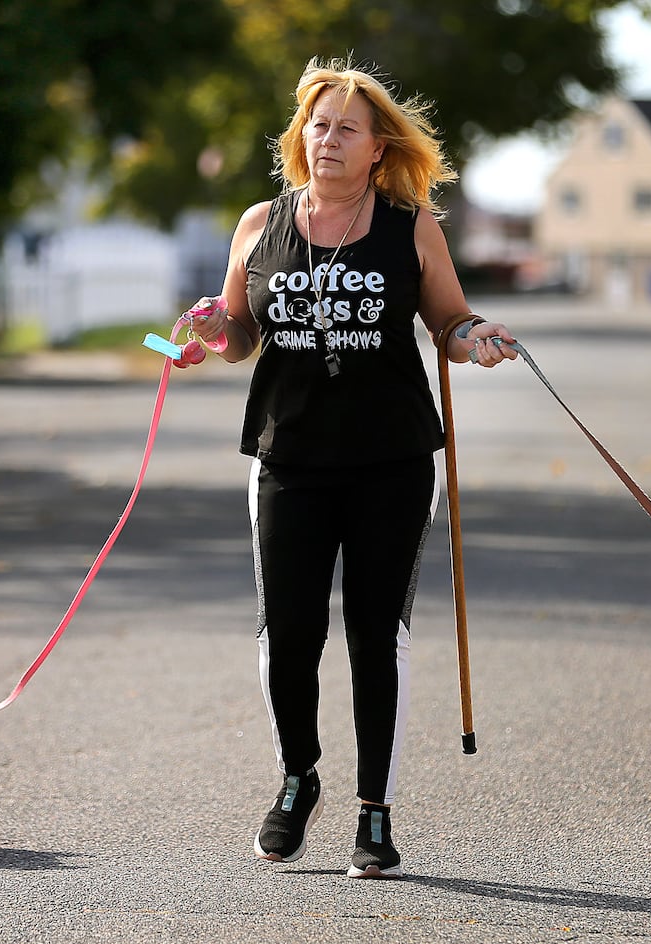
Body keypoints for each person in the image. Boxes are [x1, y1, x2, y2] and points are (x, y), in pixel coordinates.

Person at [183, 56, 516, 879]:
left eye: (347, 128)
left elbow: (449, 321)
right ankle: (299, 778)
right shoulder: (261, 224)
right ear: (301, 137)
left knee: (377, 636)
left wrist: (474, 341)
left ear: (377, 149)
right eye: (317, 125)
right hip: (286, 457)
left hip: (391, 460)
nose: (327, 139)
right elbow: (236, 334)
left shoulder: (411, 227)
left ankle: (375, 808)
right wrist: (204, 332)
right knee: (288, 635)